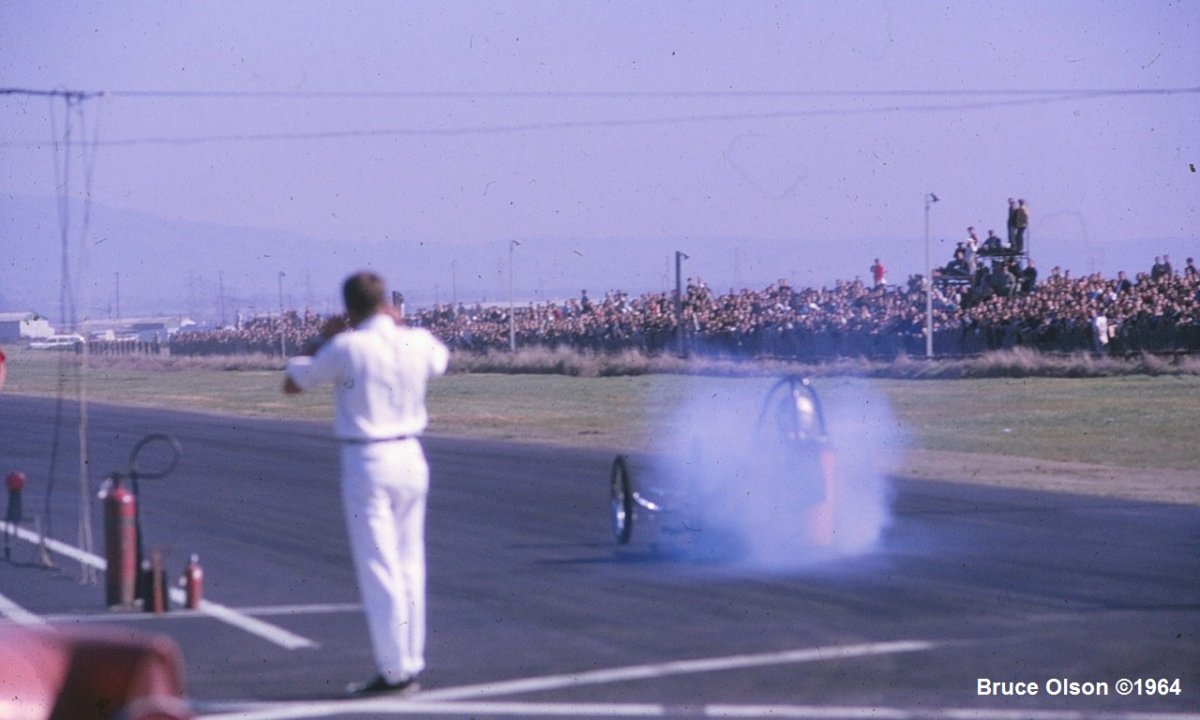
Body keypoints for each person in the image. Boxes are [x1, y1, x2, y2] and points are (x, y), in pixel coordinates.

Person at [283, 271, 449, 697]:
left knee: (380, 567)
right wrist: (400, 326)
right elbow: (440, 361)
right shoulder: (417, 340)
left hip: (368, 457)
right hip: (412, 453)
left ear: (350, 308)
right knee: (411, 563)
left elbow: (294, 383)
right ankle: (409, 659)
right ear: (387, 304)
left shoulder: (346, 346)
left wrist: (323, 336)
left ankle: (395, 670)